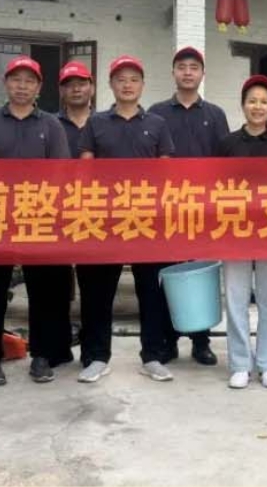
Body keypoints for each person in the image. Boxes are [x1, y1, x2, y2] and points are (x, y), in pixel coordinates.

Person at [0, 56, 73, 387]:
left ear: (39, 88)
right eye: (16, 80)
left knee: (41, 291)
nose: (22, 86)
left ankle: (41, 356)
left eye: (29, 81)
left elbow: (60, 174)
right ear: (6, 83)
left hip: (37, 217)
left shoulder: (51, 126)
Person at [78, 55, 177, 382]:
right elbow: (85, 169)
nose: (127, 85)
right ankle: (97, 356)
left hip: (146, 219)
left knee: (151, 291)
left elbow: (166, 172)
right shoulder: (96, 123)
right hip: (105, 220)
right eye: (120, 79)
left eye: (134, 79)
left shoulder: (157, 124)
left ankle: (153, 355)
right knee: (99, 292)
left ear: (142, 85)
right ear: (110, 85)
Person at [148, 47, 229, 367]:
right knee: (167, 273)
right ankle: (167, 342)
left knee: (199, 274)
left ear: (202, 74)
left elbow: (224, 162)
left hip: (203, 209)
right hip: (166, 208)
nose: (187, 72)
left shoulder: (215, 115)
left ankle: (201, 342)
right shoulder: (156, 113)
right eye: (181, 67)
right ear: (173, 73)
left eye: (194, 67)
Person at [217, 75, 267, 389]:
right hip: (235, 230)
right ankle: (239, 363)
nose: (257, 107)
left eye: (263, 102)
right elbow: (214, 187)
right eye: (252, 101)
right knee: (235, 299)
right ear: (243, 105)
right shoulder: (227, 144)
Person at [56, 61, 96, 382]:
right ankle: (58, 348)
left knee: (92, 284)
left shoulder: (104, 123)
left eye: (82, 83)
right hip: (55, 212)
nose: (77, 88)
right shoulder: (49, 123)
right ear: (62, 90)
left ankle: (91, 351)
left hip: (94, 215)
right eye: (70, 84)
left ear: (91, 88)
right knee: (57, 284)